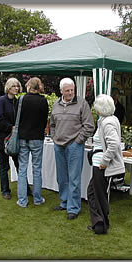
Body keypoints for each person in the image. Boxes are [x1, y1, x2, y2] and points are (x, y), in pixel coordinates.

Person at [50, 77, 95, 220]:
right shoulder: (56, 105)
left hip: (74, 146)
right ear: (61, 91)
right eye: (67, 90)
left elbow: (89, 125)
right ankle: (64, 202)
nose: (70, 93)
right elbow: (51, 124)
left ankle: (73, 208)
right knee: (62, 177)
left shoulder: (82, 103)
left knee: (74, 178)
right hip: (59, 146)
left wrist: (78, 141)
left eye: (72, 90)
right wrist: (54, 137)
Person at [87, 94, 125, 234]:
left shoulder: (107, 122)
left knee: (97, 194)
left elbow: (114, 144)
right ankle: (100, 222)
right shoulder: (108, 120)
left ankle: (100, 225)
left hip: (100, 165)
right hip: (99, 163)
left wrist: (104, 161)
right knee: (93, 193)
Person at [16, 77, 49, 208]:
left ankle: (22, 200)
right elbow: (44, 119)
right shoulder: (43, 101)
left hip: (23, 137)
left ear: (29, 86)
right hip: (37, 138)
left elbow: (16, 117)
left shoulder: (22, 99)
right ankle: (37, 198)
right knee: (37, 169)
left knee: (22, 169)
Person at [0, 77, 22, 200]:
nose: (16, 88)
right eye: (14, 86)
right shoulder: (1, 101)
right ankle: (5, 190)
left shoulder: (17, 101)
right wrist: (10, 127)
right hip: (2, 139)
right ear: (8, 88)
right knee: (4, 165)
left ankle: (24, 187)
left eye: (17, 86)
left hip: (14, 139)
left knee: (19, 164)